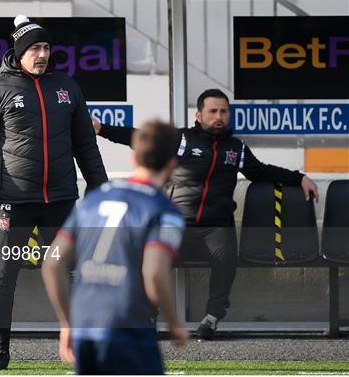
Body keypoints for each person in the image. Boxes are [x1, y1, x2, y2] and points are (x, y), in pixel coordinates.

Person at [92, 89, 319, 340]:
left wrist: (299, 178)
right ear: (199, 115)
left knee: (226, 258)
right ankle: (146, 316)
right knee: (151, 259)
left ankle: (210, 319)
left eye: (223, 111)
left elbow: (262, 171)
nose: (219, 116)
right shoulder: (181, 140)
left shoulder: (236, 149)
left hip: (216, 227)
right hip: (177, 224)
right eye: (213, 111)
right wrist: (102, 129)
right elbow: (141, 138)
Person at [0, 15, 108, 370]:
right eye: (35, 49)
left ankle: (79, 344)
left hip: (61, 200)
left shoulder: (67, 87)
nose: (42, 54)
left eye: (46, 48)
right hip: (14, 201)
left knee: (71, 271)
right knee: (4, 274)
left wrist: (101, 191)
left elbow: (86, 145)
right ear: (19, 52)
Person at [42, 120, 189, 375]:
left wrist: (67, 323)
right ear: (171, 164)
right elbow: (154, 274)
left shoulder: (94, 199)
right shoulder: (165, 212)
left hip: (85, 322)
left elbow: (52, 263)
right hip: (127, 325)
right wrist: (174, 322)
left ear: (134, 160)